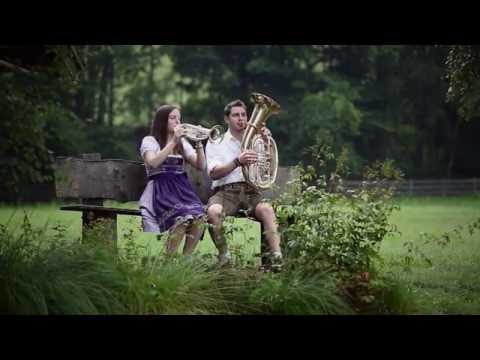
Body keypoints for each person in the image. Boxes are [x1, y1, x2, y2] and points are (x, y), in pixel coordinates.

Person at [205, 99, 283, 268]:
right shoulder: (216, 141)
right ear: (227, 119)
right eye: (235, 115)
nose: (241, 119)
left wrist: (267, 143)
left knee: (267, 209)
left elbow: (267, 171)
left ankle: (277, 257)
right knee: (213, 211)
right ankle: (224, 256)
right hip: (226, 192)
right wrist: (237, 162)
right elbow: (213, 173)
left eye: (243, 115)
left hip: (251, 192)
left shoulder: (257, 140)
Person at [139, 105, 206, 257]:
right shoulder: (150, 141)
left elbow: (201, 166)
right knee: (182, 219)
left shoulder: (183, 144)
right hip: (161, 189)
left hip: (182, 190)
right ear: (162, 121)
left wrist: (199, 143)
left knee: (200, 218)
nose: (178, 121)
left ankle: (186, 260)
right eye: (173, 118)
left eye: (179, 118)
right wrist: (173, 141)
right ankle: (168, 260)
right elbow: (153, 162)